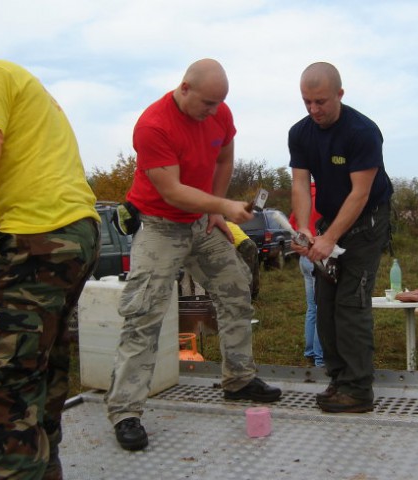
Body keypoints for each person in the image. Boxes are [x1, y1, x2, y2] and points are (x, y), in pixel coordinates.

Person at [105, 58, 281, 452]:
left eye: (220, 104)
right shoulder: (153, 125)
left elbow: (224, 156)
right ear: (184, 88)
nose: (214, 112)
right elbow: (172, 191)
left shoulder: (219, 112)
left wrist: (215, 212)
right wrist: (222, 203)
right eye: (207, 103)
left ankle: (238, 380)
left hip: (202, 225)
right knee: (145, 312)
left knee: (236, 287)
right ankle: (125, 411)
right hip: (161, 225)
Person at [0, 39, 100, 479]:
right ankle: (44, 469)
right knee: (40, 365)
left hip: (38, 234)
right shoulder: (26, 86)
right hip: (74, 232)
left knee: (6, 373)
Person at [289, 62, 393, 413]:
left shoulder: (362, 131)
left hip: (367, 220)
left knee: (351, 302)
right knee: (325, 300)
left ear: (340, 95)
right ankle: (339, 380)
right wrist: (305, 228)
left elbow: (360, 194)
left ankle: (359, 389)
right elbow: (301, 182)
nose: (314, 110)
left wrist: (329, 238)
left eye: (321, 101)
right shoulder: (300, 133)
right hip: (333, 218)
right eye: (307, 102)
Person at [289, 182, 324, 367]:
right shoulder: (327, 197)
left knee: (312, 307)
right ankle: (320, 359)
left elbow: (293, 228)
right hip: (320, 257)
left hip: (304, 258)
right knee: (323, 309)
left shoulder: (302, 198)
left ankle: (310, 352)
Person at [226, 220, 260, 300]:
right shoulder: (229, 223)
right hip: (251, 243)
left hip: (244, 246)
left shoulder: (219, 227)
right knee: (254, 271)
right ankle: (254, 296)